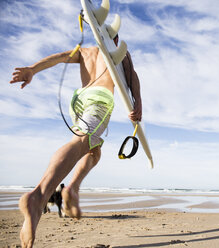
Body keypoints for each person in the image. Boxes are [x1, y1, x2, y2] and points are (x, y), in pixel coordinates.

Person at [9, 35, 142, 247]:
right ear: (115, 39)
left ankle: (71, 189)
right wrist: (138, 104)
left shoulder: (85, 51)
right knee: (83, 140)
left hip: (79, 101)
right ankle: (39, 196)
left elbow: (59, 58)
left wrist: (33, 69)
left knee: (93, 151)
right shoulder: (121, 53)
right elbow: (132, 76)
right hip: (100, 99)